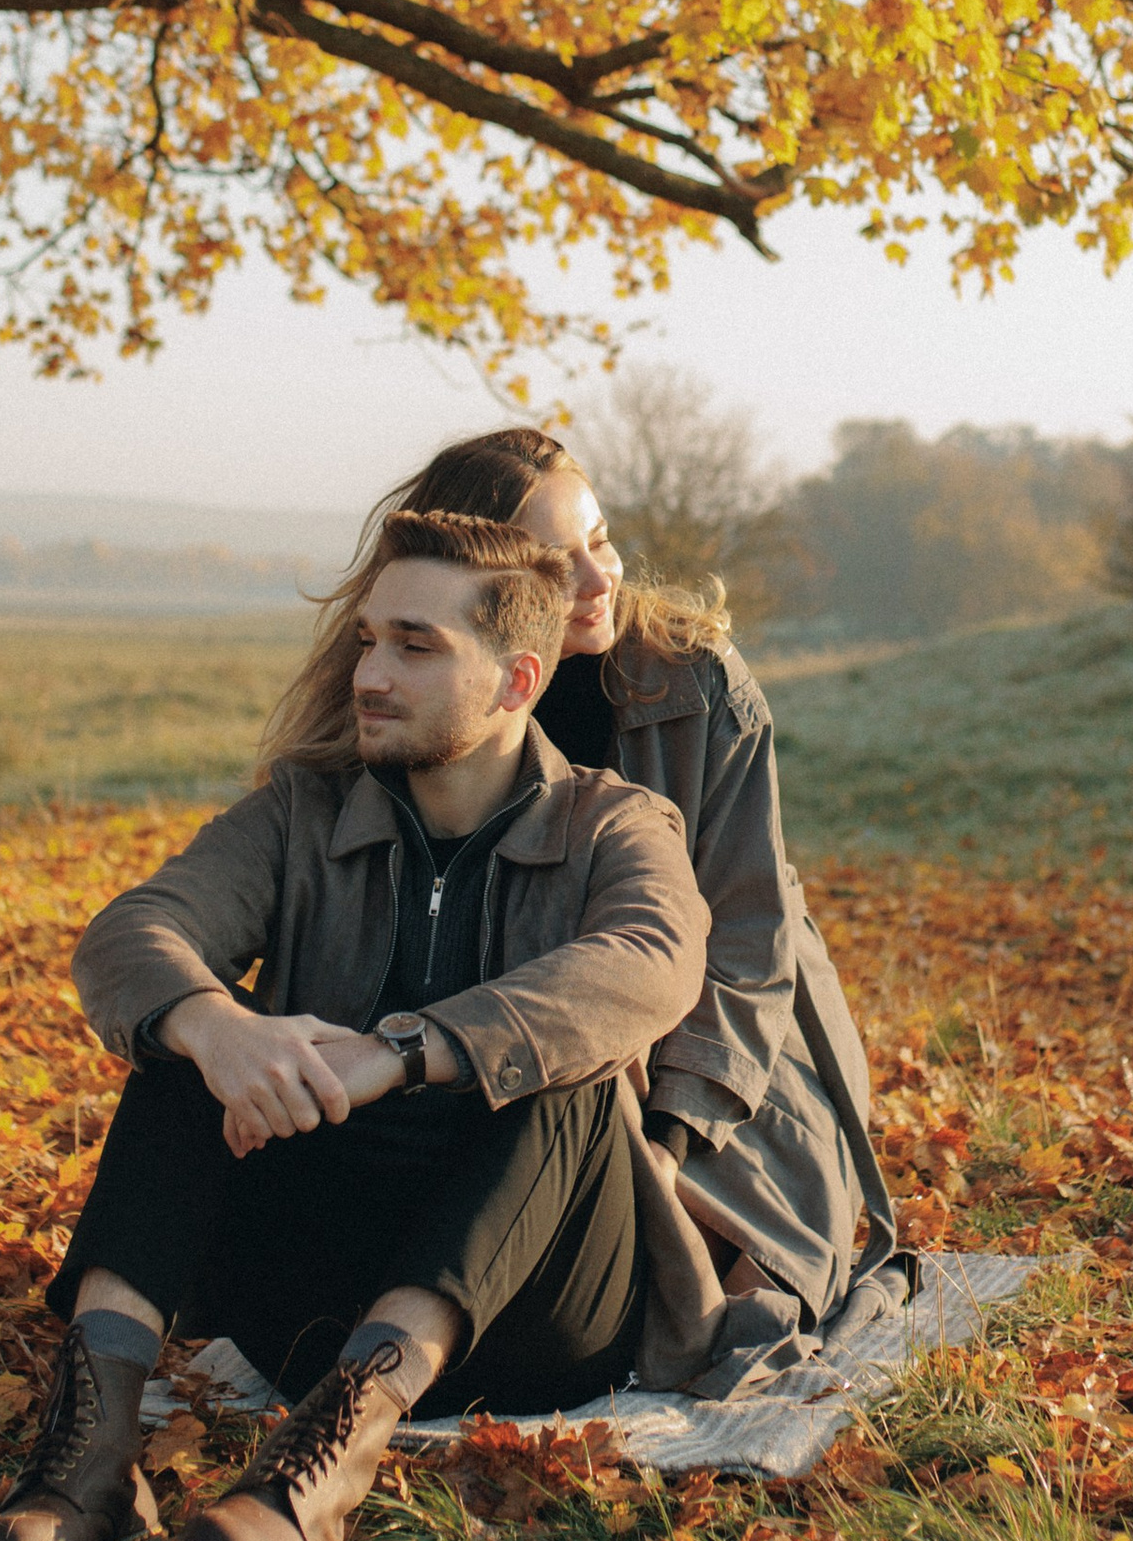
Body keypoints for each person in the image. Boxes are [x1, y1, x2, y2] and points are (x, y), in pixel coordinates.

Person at [0, 511, 717, 1541]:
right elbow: (133, 932)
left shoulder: (615, 824)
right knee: (187, 1043)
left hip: (534, 1309)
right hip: (309, 1292)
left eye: (414, 646)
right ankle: (89, 1460)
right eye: (367, 640)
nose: (369, 674)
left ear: (517, 681)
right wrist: (218, 1029)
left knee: (566, 1070)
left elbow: (650, 962)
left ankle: (313, 1482)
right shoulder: (301, 812)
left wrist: (400, 1054)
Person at [255, 425, 903, 1378]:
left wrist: (674, 1134)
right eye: (560, 561)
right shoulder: (405, 694)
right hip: (501, 1022)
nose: (600, 579)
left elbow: (748, 934)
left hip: (722, 1034)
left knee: (734, 1275)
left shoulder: (693, 682)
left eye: (601, 540)